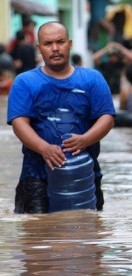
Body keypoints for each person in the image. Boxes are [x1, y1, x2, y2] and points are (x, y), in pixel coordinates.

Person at [7, 21, 115, 214]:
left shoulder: (92, 79)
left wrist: (85, 140)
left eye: (60, 42)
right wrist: (44, 148)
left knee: (88, 232)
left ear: (70, 44)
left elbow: (107, 117)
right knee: (36, 235)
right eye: (48, 44)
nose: (55, 48)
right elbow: (19, 123)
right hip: (36, 175)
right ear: (39, 48)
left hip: (84, 173)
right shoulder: (25, 82)